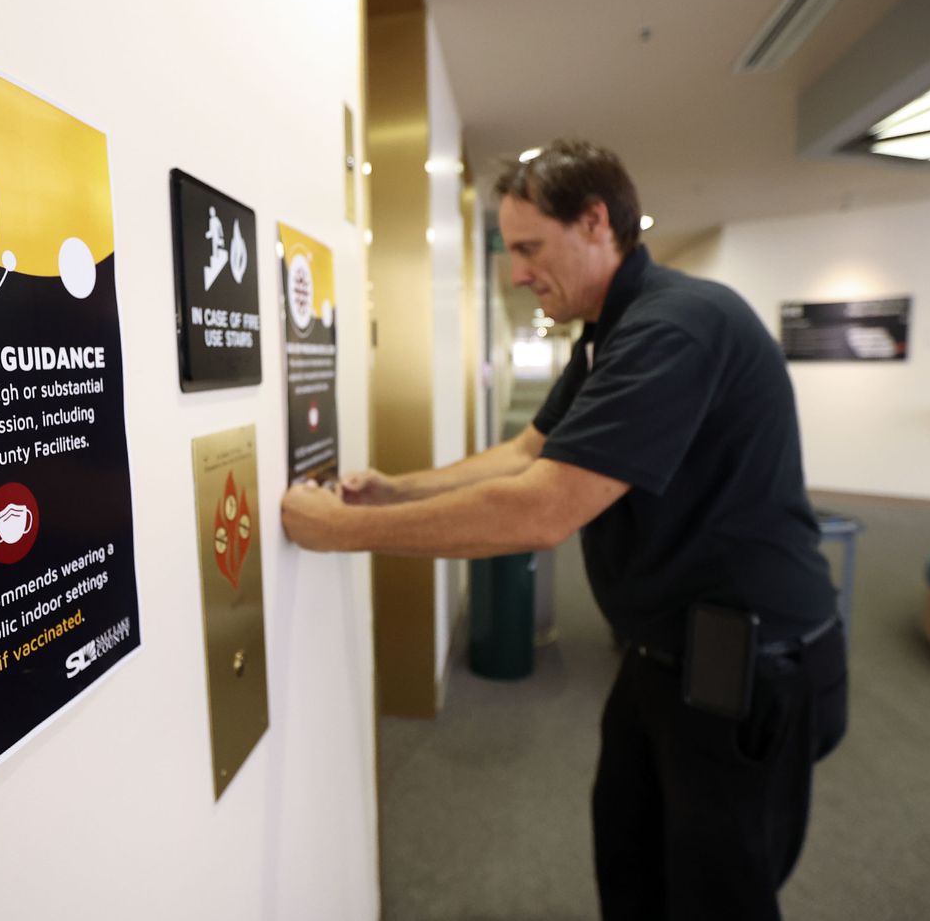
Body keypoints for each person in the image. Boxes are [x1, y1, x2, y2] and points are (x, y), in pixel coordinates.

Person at [280, 138, 847, 921]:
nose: (515, 272)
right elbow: (528, 449)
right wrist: (389, 492)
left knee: (719, 892)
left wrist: (335, 532)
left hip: (747, 660)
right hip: (663, 651)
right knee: (630, 857)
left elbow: (542, 508)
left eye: (528, 248)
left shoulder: (673, 328)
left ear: (595, 222)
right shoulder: (607, 333)